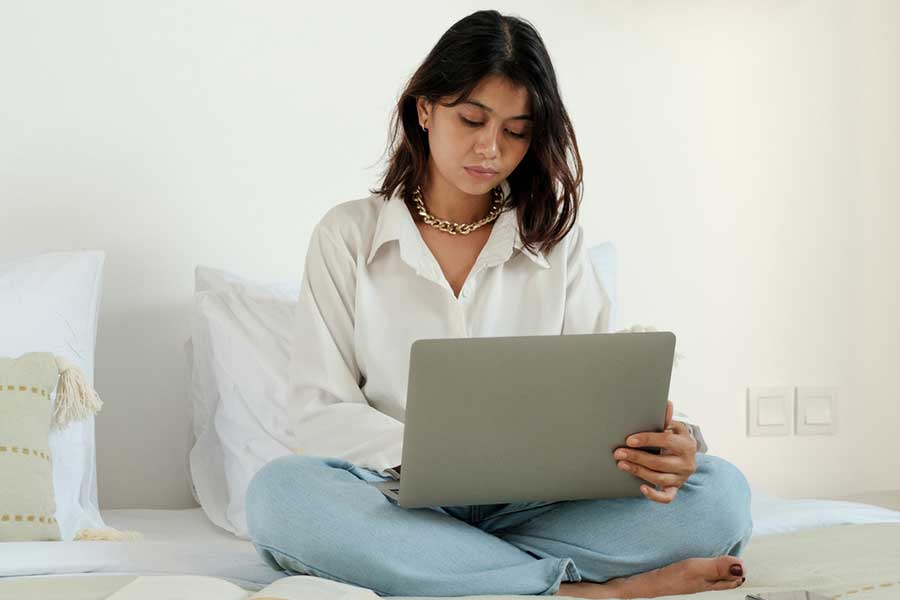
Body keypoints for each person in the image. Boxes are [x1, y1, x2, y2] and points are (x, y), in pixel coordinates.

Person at [246, 9, 753, 598]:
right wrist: (441, 459)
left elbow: (602, 395)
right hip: (397, 502)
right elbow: (319, 410)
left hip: (539, 508)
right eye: (472, 119)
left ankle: (462, 572)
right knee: (281, 496)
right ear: (425, 109)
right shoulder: (346, 237)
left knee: (721, 496)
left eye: (516, 131)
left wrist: (668, 446)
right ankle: (587, 590)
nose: (491, 148)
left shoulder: (555, 242)